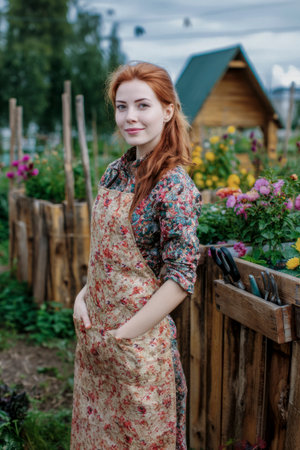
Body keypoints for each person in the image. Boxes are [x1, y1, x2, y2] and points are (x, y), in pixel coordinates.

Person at [70, 61, 202, 449]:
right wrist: (83, 296)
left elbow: (180, 278)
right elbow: (106, 255)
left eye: (143, 105)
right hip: (96, 340)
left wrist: (122, 337)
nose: (130, 117)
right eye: (122, 106)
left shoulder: (173, 185)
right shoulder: (115, 172)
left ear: (167, 110)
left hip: (137, 351)